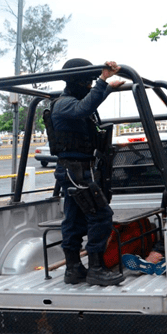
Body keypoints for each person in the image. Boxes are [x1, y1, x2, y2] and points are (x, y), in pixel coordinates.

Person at [51, 58, 125, 286]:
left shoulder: (71, 101)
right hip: (75, 172)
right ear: (76, 81)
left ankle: (73, 269)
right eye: (87, 81)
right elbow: (84, 107)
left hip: (76, 170)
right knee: (101, 216)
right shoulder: (64, 103)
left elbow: (88, 104)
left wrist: (107, 88)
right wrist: (103, 80)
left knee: (73, 220)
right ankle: (95, 269)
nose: (88, 85)